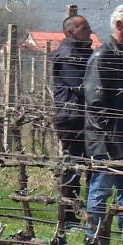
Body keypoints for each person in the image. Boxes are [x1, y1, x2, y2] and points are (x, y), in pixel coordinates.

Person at [83, 5, 123, 245]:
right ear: (119, 25)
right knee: (100, 192)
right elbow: (96, 103)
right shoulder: (102, 57)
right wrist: (110, 135)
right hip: (109, 141)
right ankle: (94, 239)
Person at [50, 15, 94, 229]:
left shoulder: (82, 52)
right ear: (70, 32)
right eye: (84, 28)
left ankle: (83, 214)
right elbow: (81, 85)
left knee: (85, 166)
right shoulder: (68, 55)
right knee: (73, 167)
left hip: (81, 117)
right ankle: (68, 217)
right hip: (72, 117)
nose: (90, 31)